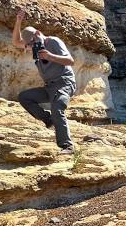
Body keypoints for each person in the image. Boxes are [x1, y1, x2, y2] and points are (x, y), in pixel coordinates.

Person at [12, 9, 77, 154]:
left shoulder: (53, 41)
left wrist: (50, 56)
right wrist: (18, 21)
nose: (31, 46)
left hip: (64, 83)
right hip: (49, 87)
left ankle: (67, 146)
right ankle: (50, 120)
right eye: (29, 45)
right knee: (24, 97)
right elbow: (16, 42)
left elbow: (70, 61)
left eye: (33, 42)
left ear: (38, 33)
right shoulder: (33, 46)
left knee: (58, 107)